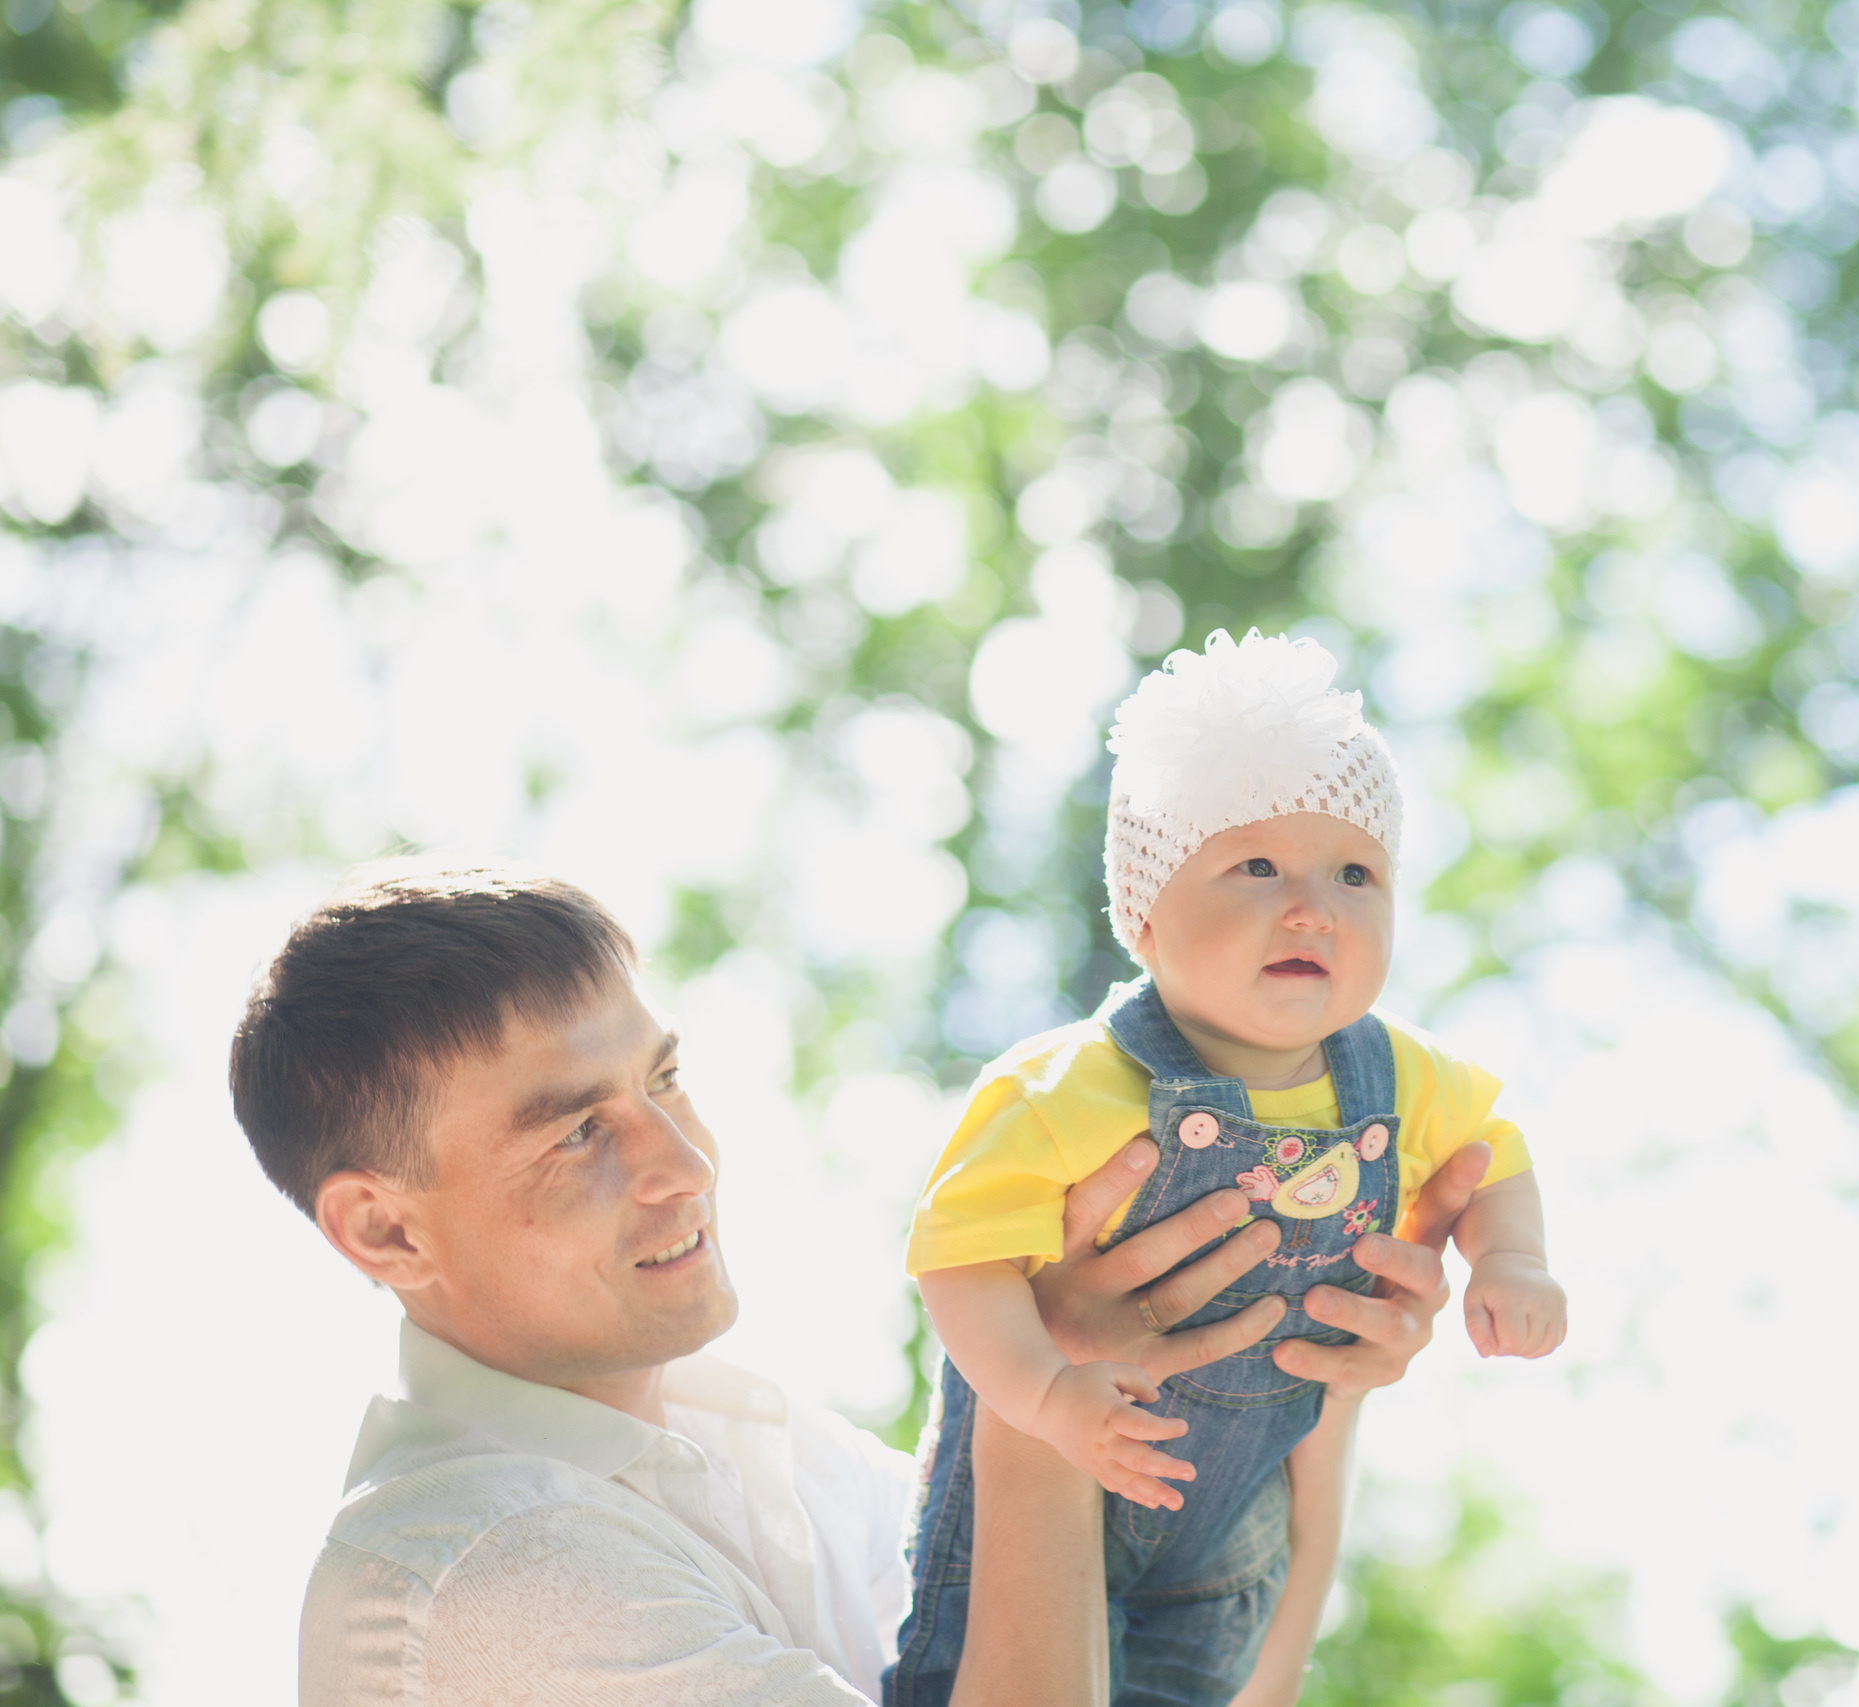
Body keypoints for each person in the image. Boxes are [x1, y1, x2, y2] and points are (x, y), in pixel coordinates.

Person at [233, 864, 1474, 1704]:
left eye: (663, 1082)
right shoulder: (484, 1571)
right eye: (574, 1134)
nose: (684, 1162)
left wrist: (1305, 1363)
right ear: (386, 1233)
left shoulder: (784, 1457)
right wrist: (1036, 1397)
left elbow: (1213, 1677)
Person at [891, 631, 1567, 1707]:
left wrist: (1511, 1261)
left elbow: (1494, 1158)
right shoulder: (1063, 1088)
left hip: (1235, 1535)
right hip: (1063, 1467)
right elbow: (958, 1264)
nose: (1312, 906)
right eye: (1256, 865)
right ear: (1144, 917)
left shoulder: (1401, 1076)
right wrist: (1047, 1397)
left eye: (1356, 873)